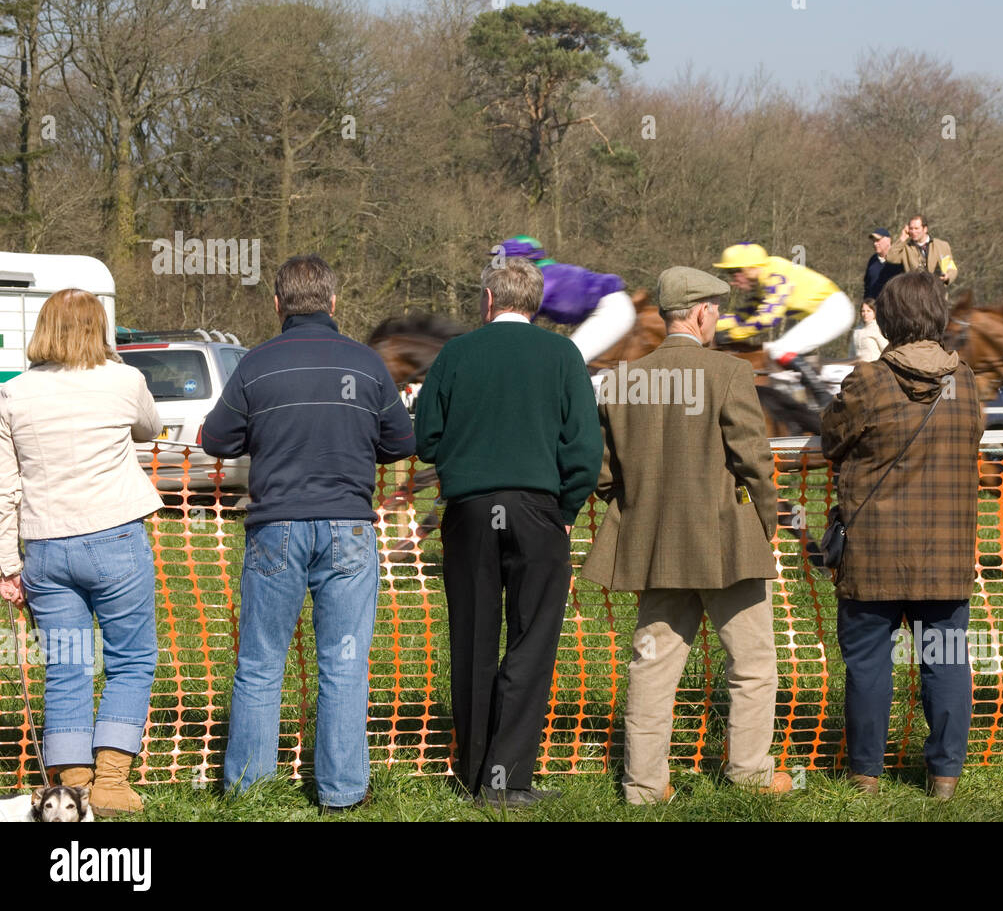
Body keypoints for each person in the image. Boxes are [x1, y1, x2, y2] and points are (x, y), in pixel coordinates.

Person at [202, 255, 414, 811]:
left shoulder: (256, 364)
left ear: (277, 304)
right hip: (348, 525)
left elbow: (216, 439)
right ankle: (342, 792)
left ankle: (249, 790)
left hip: (276, 527)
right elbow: (401, 442)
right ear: (334, 303)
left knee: (260, 663)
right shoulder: (366, 364)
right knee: (344, 664)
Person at [582, 266, 789, 804]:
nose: (717, 319)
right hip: (728, 544)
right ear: (700, 313)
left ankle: (644, 786)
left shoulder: (623, 379)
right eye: (716, 310)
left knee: (652, 666)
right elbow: (754, 462)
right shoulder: (728, 372)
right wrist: (764, 524)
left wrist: (641, 508)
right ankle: (749, 774)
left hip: (654, 546)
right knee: (751, 665)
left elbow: (603, 473)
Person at [414, 256, 602, 806]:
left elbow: (425, 437)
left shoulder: (456, 353)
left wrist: (466, 462)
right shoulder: (563, 354)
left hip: (470, 512)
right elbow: (586, 452)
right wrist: (564, 510)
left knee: (471, 640)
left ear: (489, 301)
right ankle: (506, 779)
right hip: (538, 511)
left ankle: (472, 774)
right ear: (536, 305)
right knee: (530, 643)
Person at [0, 288, 163, 816]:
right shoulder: (125, 379)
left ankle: (72, 784)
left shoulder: (13, 394)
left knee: (67, 664)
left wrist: (6, 566)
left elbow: (5, 488)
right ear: (101, 329)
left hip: (45, 545)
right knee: (131, 659)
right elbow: (149, 427)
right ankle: (112, 783)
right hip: (115, 537)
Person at [820, 271, 983, 799]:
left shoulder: (867, 380)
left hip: (873, 552)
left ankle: (865, 775)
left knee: (868, 663)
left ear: (887, 320)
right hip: (946, 552)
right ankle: (944, 779)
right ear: (939, 318)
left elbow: (831, 438)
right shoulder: (968, 382)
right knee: (947, 660)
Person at [496, 235, 637, 363]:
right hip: (609, 308)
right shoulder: (544, 273)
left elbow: (517, 322)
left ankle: (598, 389)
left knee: (567, 362)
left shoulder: (540, 279)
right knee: (567, 361)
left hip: (612, 311)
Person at [713, 242, 855, 368]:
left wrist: (733, 334)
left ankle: (823, 396)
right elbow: (742, 317)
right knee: (771, 350)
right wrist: (712, 325)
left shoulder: (775, 277)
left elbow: (767, 319)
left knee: (779, 351)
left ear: (751, 267)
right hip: (825, 310)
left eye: (734, 272)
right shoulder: (762, 281)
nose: (732, 281)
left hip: (835, 312)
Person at [885, 215, 958, 285]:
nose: (913, 232)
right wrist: (902, 239)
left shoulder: (941, 246)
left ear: (925, 229)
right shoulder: (905, 248)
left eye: (916, 228)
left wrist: (947, 276)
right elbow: (890, 257)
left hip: (937, 292)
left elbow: (950, 267)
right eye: (911, 228)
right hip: (915, 293)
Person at [863, 227, 904, 300]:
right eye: (874, 241)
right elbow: (867, 285)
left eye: (878, 240)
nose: (875, 243)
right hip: (875, 306)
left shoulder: (899, 259)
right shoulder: (873, 260)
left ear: (888, 240)